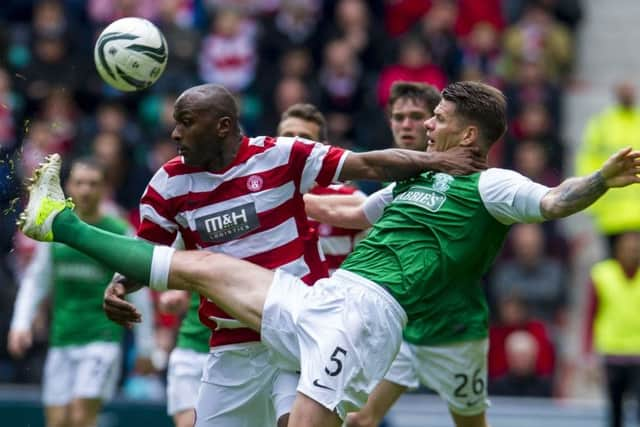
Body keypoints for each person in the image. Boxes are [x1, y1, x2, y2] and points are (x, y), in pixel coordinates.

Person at [19, 81, 640, 427]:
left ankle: (61, 225)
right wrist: (276, 200)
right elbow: (346, 208)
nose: (426, 125)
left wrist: (598, 183)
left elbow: (556, 201)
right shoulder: (412, 185)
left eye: (439, 119)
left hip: (370, 317)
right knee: (207, 267)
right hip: (323, 298)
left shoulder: (491, 185)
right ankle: (59, 223)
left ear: (468, 136)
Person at [105, 83, 483, 427]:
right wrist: (121, 282)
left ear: (222, 126)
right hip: (231, 346)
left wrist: (436, 161)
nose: (175, 133)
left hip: (296, 335)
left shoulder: (280, 156)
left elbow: (367, 164)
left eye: (186, 123)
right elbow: (149, 253)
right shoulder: (167, 184)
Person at [8, 157, 156, 427]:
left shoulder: (120, 231)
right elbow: (35, 282)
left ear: (105, 188)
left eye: (93, 184)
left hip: (102, 339)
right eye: (80, 183)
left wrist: (147, 347)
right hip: (62, 338)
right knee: (57, 422)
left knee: (80, 417)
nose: (86, 190)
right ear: (68, 187)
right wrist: (20, 324)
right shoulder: (54, 231)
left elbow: (139, 292)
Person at [278, 102, 368, 272]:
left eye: (304, 138)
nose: (294, 145)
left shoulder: (348, 198)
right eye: (288, 136)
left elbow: (371, 211)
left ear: (322, 149)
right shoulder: (261, 194)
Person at [584, 231, 640, 427]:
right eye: (628, 249)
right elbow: (591, 314)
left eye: (636, 249)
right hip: (612, 353)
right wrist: (589, 354)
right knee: (614, 411)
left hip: (638, 353)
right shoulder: (602, 275)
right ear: (618, 250)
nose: (633, 253)